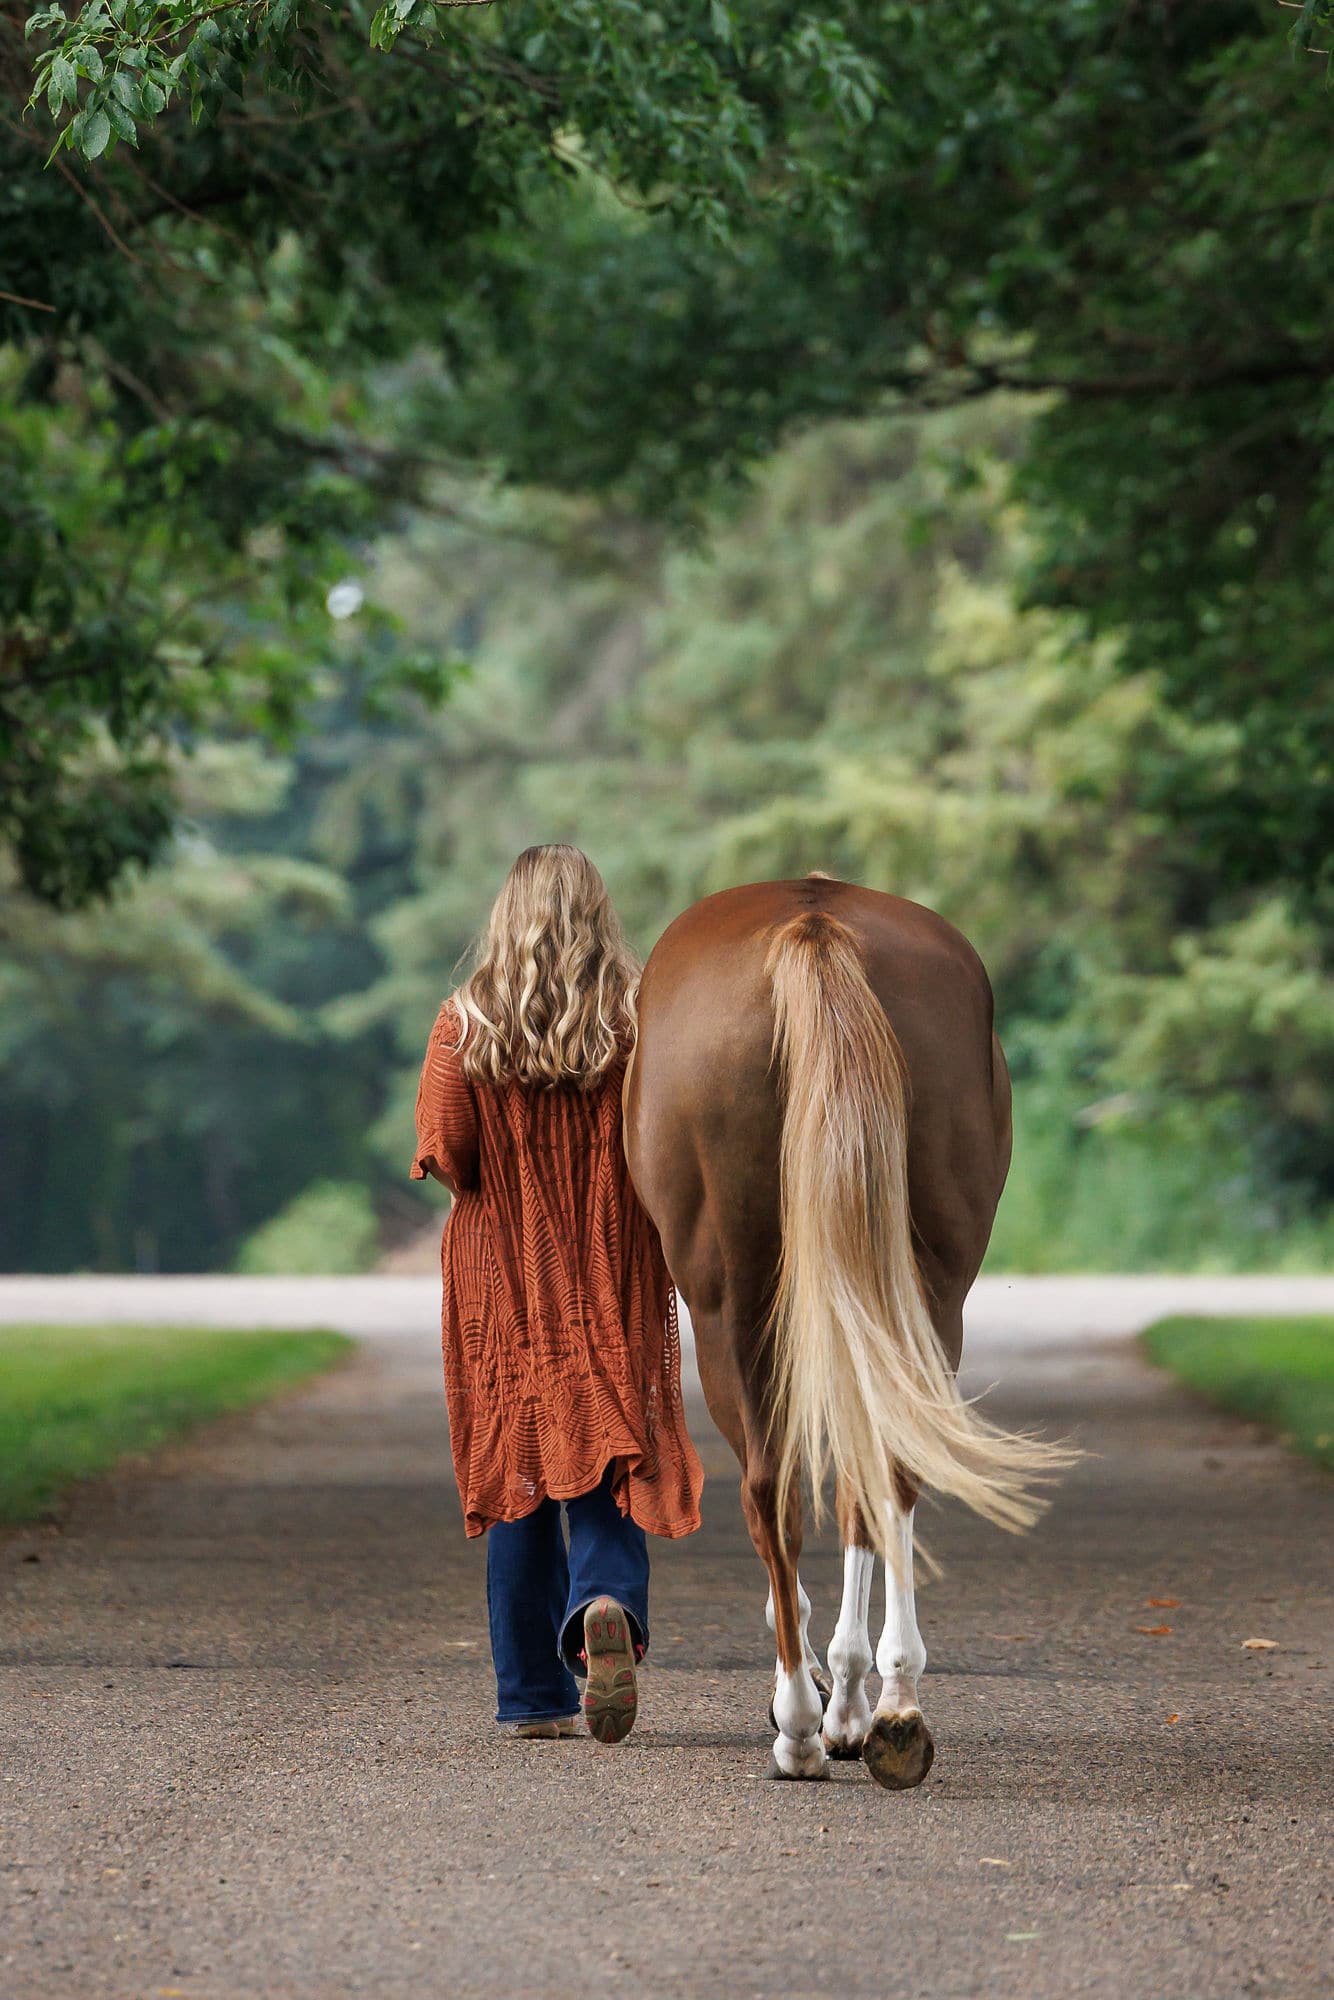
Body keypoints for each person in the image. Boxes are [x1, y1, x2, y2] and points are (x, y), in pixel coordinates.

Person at [411, 844, 703, 1743]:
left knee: (519, 1468)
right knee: (612, 1446)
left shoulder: (464, 1024)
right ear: (599, 915)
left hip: (502, 1279)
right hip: (611, 1268)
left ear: (506, 915)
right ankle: (606, 1599)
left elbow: (447, 1151)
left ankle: (535, 1694)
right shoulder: (641, 1017)